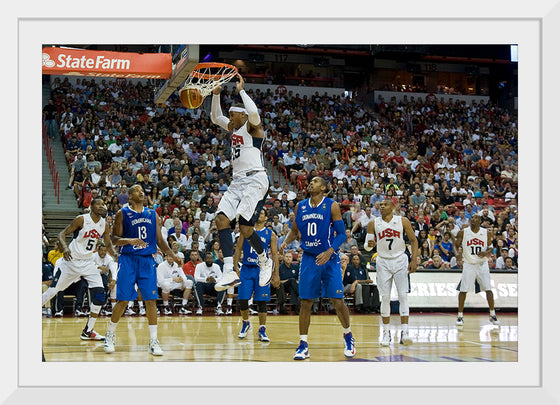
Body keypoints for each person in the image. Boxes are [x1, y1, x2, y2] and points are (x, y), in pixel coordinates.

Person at [279, 176, 356, 360]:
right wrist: (285, 242)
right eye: (310, 181)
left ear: (323, 187)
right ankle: (303, 344)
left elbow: (341, 235)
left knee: (337, 301)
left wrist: (330, 252)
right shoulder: (300, 206)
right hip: (309, 259)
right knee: (305, 302)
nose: (310, 183)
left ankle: (348, 336)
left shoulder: (332, 205)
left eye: (314, 181)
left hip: (329, 258)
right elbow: (295, 230)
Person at [210, 73, 273, 292]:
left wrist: (242, 91)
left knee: (245, 225)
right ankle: (229, 270)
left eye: (233, 114)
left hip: (255, 178)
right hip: (237, 182)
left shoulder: (253, 128)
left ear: (243, 116)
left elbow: (254, 112)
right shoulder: (236, 129)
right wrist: (216, 95)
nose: (229, 117)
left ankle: (265, 260)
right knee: (221, 220)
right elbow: (215, 118)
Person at [104, 184, 181, 356]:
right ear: (129, 197)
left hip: (147, 260)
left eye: (142, 190)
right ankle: (109, 334)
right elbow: (115, 239)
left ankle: (153, 340)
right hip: (128, 259)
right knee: (122, 301)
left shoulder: (153, 214)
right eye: (137, 190)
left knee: (151, 300)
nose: (141, 192)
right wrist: (129, 240)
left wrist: (172, 255)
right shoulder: (122, 213)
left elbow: (160, 241)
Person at [41, 197, 116, 340]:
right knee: (53, 291)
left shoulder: (104, 225)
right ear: (91, 206)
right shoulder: (81, 219)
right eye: (99, 204)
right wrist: (64, 247)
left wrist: (116, 254)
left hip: (88, 263)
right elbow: (61, 234)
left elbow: (109, 244)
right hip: (71, 262)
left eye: (103, 204)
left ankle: (88, 331)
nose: (102, 206)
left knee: (100, 295)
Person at [363, 198, 418, 346]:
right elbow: (367, 247)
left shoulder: (403, 221)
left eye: (385, 204)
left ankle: (405, 332)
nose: (381, 206)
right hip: (383, 261)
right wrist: (369, 244)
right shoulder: (373, 223)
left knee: (402, 296)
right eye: (380, 204)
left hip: (400, 259)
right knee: (385, 297)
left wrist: (414, 260)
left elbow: (413, 240)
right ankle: (386, 333)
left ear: (393, 207)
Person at [233, 208, 280, 341]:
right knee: (242, 299)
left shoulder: (270, 234)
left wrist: (276, 274)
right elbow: (238, 248)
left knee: (261, 301)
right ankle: (246, 322)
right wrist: (235, 265)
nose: (259, 214)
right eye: (258, 212)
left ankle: (262, 329)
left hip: (262, 269)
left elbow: (275, 255)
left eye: (262, 213)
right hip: (247, 268)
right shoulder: (247, 230)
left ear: (266, 218)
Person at [454, 214, 500, 327]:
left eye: (476, 218)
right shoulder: (464, 232)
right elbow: (455, 245)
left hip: (482, 263)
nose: (473, 220)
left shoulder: (486, 232)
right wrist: (457, 255)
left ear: (480, 221)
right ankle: (460, 316)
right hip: (469, 263)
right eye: (472, 218)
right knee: (463, 290)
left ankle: (492, 314)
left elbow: (491, 247)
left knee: (488, 289)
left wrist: (486, 253)